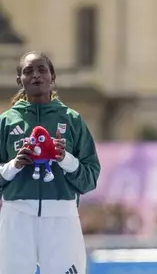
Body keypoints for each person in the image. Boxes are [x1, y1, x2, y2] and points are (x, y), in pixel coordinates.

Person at [0, 51, 101, 274]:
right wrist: (13, 166)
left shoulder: (72, 120)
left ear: (52, 78)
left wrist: (65, 159)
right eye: (28, 71)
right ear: (20, 80)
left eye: (42, 70)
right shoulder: (6, 122)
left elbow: (90, 178)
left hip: (61, 217)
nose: (36, 75)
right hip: (17, 217)